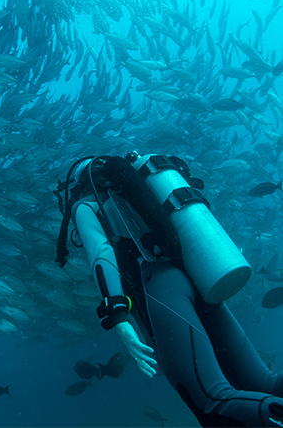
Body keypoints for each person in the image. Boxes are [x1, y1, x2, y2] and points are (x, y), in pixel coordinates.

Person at [54, 152, 283, 427]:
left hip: (160, 287)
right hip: (196, 277)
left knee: (211, 400)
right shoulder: (143, 195)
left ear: (82, 184)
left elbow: (101, 255)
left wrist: (119, 317)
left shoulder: (86, 207)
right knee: (264, 382)